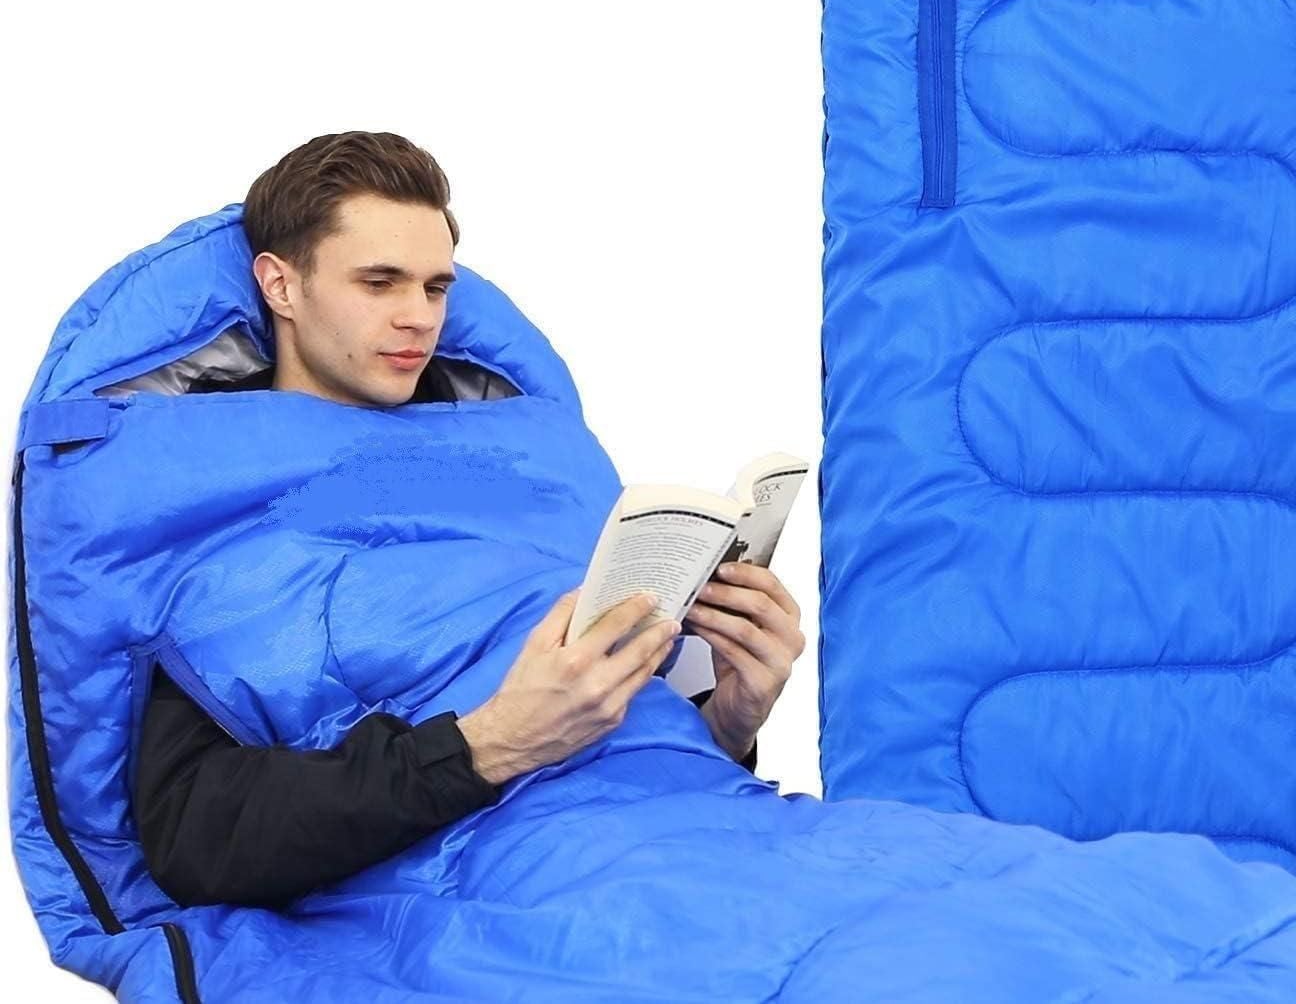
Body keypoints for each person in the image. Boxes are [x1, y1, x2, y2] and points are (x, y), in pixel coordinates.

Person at [133, 131, 806, 909]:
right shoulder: (208, 497)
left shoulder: (519, 461)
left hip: (685, 830)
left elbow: (614, 731)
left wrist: (728, 724)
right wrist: (490, 743)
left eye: (435, 288)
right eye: (379, 283)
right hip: (500, 883)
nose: (418, 317)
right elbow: (195, 835)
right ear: (280, 286)